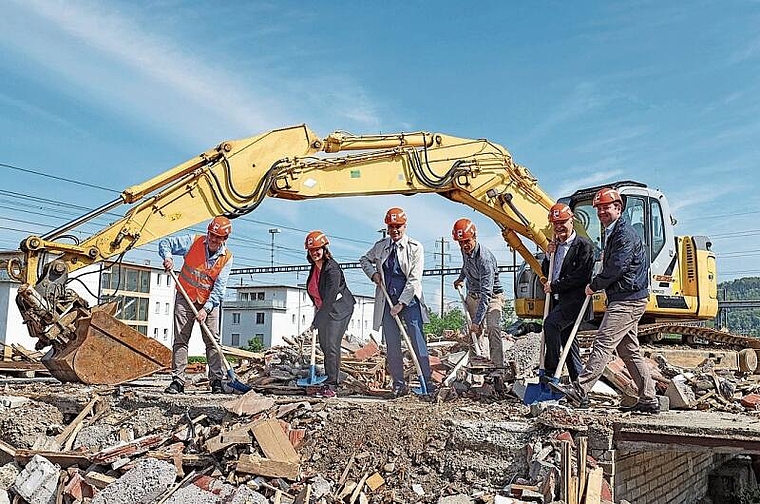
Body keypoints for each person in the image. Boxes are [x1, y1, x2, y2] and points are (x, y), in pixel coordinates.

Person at [550, 188, 657, 413]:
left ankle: (580, 390)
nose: (601, 212)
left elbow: (616, 266)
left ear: (618, 208)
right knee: (629, 351)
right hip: (624, 296)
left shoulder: (623, 234)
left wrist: (595, 285)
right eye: (598, 208)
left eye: (605, 207)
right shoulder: (613, 232)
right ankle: (649, 399)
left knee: (603, 342)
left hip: (628, 299)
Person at [360, 207, 433, 397]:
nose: (395, 230)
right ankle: (399, 385)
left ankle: (427, 383)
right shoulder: (380, 246)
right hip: (387, 300)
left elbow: (415, 279)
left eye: (398, 226)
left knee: (417, 341)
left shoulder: (415, 248)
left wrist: (401, 303)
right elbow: (364, 260)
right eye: (391, 226)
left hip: (409, 302)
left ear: (404, 226)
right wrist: (373, 274)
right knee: (392, 344)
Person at [159, 216, 234, 395]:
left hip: (210, 302)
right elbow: (165, 243)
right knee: (181, 339)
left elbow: (219, 289)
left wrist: (205, 309)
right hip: (185, 298)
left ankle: (216, 380)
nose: (213, 239)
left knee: (212, 341)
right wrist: (168, 258)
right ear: (208, 232)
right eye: (212, 235)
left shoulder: (227, 258)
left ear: (225, 239)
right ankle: (178, 380)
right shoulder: (193, 242)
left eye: (218, 237)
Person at [541, 203, 594, 382]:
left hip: (574, 300)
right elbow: (546, 270)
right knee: (568, 341)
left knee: (551, 325)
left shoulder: (584, 246)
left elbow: (580, 276)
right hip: (557, 300)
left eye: (562, 222)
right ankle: (578, 383)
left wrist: (555, 286)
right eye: (555, 224)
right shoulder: (555, 246)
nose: (559, 227)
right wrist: (549, 256)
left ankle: (550, 372)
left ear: (571, 220)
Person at [305, 230, 356, 398]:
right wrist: (317, 310)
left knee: (332, 344)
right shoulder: (314, 268)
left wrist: (317, 320)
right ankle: (328, 379)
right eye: (312, 250)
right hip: (325, 310)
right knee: (325, 345)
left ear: (325, 248)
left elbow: (330, 297)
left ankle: (332, 385)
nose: (315, 253)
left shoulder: (332, 269)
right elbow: (316, 293)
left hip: (340, 309)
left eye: (318, 249)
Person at [451, 218, 505, 369]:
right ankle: (476, 365)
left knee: (493, 327)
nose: (463, 245)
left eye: (466, 241)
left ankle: (498, 366)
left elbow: (486, 293)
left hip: (492, 296)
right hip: (473, 295)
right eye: (460, 242)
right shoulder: (464, 250)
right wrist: (461, 279)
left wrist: (477, 321)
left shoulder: (485, 259)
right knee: (474, 333)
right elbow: (465, 265)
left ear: (474, 237)